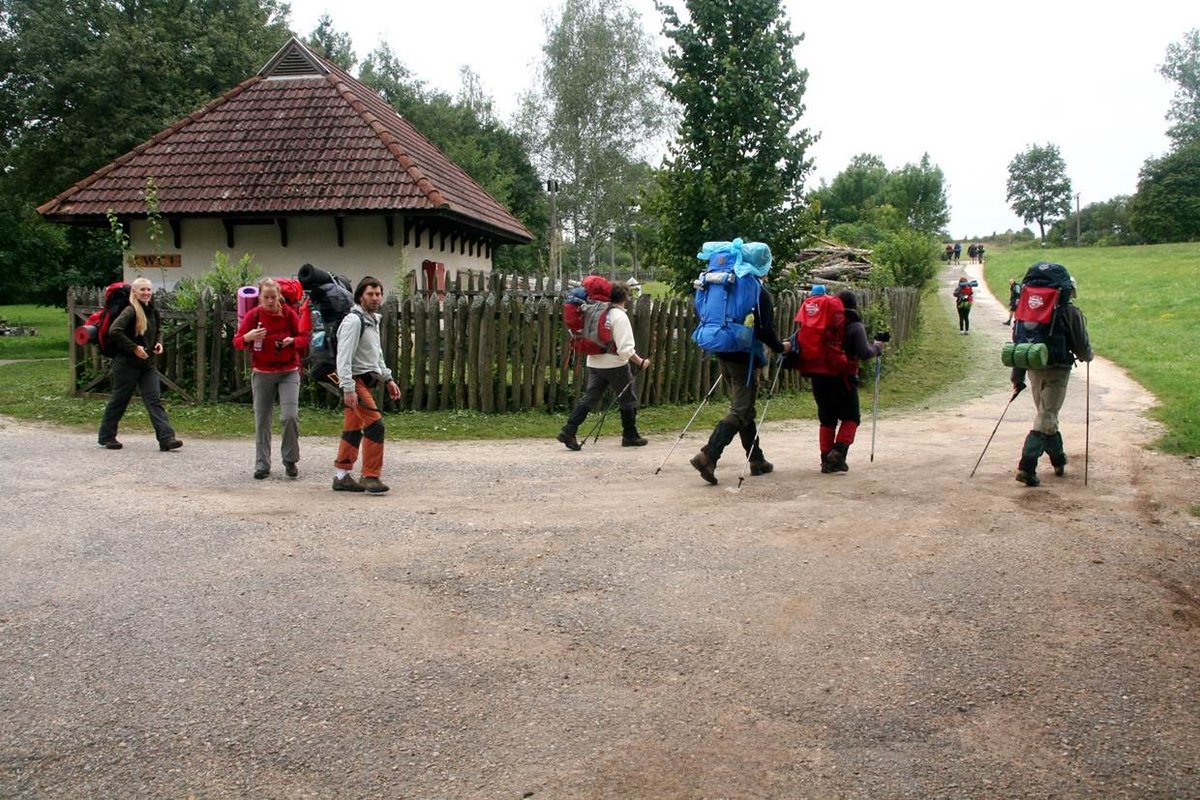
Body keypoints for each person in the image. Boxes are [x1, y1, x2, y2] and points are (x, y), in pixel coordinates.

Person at [689, 277, 789, 485]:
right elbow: (764, 330)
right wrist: (780, 347)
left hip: (723, 351)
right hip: (745, 358)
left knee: (745, 410)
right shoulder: (757, 290)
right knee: (740, 410)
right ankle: (708, 455)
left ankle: (757, 460)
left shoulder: (728, 285)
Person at [1012, 278, 1093, 487]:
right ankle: (1026, 467)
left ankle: (1059, 460)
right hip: (1057, 369)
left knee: (1046, 415)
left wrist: (1017, 376)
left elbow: (1021, 344)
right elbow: (1082, 346)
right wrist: (1088, 356)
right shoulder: (1070, 312)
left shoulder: (1028, 309)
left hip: (1033, 368)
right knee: (1046, 415)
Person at [557, 283, 650, 450]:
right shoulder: (619, 317)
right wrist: (641, 361)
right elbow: (625, 349)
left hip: (594, 362)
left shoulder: (595, 312)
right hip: (616, 365)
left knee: (590, 398)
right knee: (628, 399)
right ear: (625, 298)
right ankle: (630, 436)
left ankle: (569, 430)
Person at [233, 278, 308, 480]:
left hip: (288, 370)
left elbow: (304, 338)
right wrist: (248, 337)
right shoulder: (253, 316)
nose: (269, 301)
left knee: (289, 416)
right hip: (262, 372)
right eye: (265, 297)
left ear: (279, 296)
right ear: (259, 297)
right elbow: (237, 342)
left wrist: (292, 341)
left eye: (273, 297)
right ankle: (262, 464)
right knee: (262, 420)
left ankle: (290, 460)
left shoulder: (289, 314)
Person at [333, 276, 402, 494]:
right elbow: (343, 357)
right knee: (375, 425)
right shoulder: (355, 321)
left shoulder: (371, 320)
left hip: (364, 380)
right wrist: (348, 388)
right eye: (370, 294)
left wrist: (388, 379)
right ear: (360, 296)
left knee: (353, 428)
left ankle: (341, 476)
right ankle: (371, 476)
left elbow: (376, 356)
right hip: (354, 381)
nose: (375, 298)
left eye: (378, 294)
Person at [97, 277, 183, 451]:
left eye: (149, 290)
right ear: (134, 292)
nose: (146, 293)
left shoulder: (152, 310)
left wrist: (158, 343)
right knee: (120, 399)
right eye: (142, 290)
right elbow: (115, 330)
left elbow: (158, 330)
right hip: (126, 364)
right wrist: (134, 347)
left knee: (154, 400)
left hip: (147, 364)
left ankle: (167, 438)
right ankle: (107, 436)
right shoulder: (129, 310)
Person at [808, 290, 885, 473]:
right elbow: (865, 353)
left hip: (818, 377)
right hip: (843, 378)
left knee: (827, 418)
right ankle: (838, 452)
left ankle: (826, 461)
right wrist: (877, 347)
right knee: (852, 417)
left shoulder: (820, 321)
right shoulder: (854, 325)